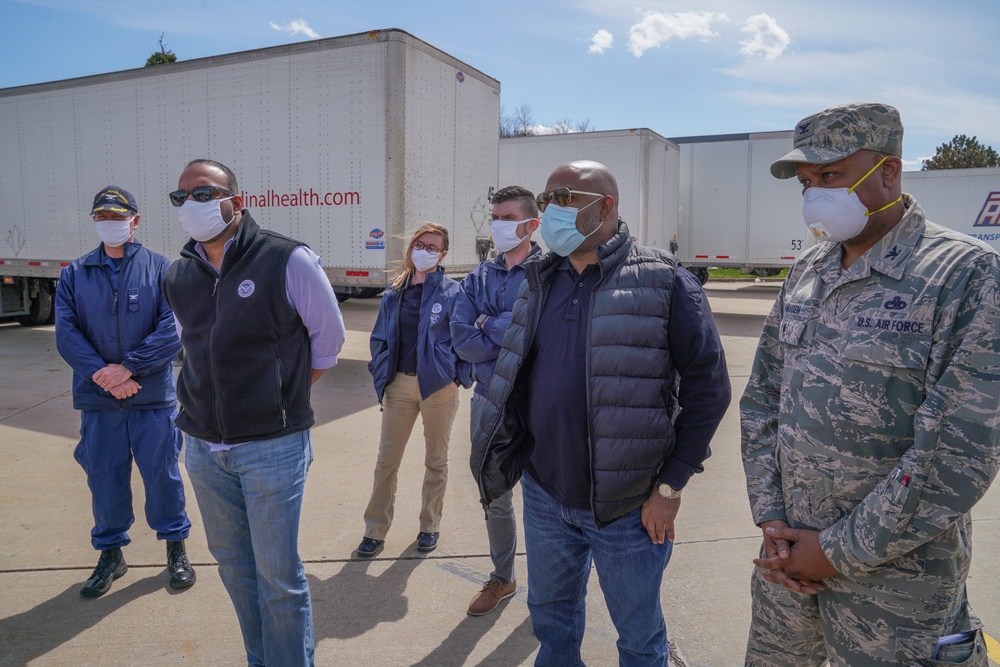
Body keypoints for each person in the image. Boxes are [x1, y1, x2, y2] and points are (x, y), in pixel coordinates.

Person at [742, 103, 1000, 666]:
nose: (814, 194)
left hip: (896, 589)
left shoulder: (964, 274)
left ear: (888, 171)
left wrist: (833, 552)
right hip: (786, 567)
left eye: (830, 175)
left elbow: (959, 449)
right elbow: (762, 399)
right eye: (807, 182)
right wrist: (772, 517)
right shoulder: (809, 269)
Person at [473, 161, 731, 665]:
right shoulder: (539, 279)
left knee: (638, 637)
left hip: (629, 507)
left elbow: (709, 389)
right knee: (552, 620)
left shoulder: (664, 281)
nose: (550, 212)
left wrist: (670, 486)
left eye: (564, 199)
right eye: (546, 201)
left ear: (605, 207)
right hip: (547, 494)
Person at [162, 159, 346, 667]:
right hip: (203, 448)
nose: (191, 206)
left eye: (203, 194)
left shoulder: (286, 259)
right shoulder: (178, 275)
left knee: (278, 578)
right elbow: (192, 350)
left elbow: (327, 342)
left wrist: (280, 398)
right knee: (235, 570)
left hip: (272, 448)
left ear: (235, 202)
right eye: (181, 198)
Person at [55, 185, 195, 598]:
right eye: (103, 218)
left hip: (150, 396)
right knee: (104, 477)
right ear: (95, 222)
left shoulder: (161, 269)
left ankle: (175, 548)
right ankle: (111, 553)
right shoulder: (75, 274)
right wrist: (104, 375)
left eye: (118, 218)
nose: (110, 224)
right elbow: (67, 334)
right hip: (99, 401)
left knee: (162, 474)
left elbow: (174, 329)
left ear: (135, 221)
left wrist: (129, 368)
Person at [451, 185, 541, 615]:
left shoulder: (550, 272)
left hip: (540, 400)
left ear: (532, 224)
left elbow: (536, 334)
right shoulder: (480, 275)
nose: (499, 225)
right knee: (495, 493)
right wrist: (501, 332)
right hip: (489, 399)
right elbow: (458, 331)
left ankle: (549, 591)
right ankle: (503, 578)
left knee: (548, 498)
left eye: (508, 217)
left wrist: (488, 323)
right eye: (496, 217)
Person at [358, 222, 470, 558]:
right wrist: (382, 372)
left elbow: (465, 341)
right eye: (420, 244)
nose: (425, 251)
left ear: (443, 254)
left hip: (439, 388)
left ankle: (429, 526)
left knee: (436, 461)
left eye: (433, 247)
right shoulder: (394, 293)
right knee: (386, 462)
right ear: (411, 248)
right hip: (400, 387)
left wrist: (457, 378)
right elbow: (379, 339)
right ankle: (375, 530)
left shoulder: (453, 293)